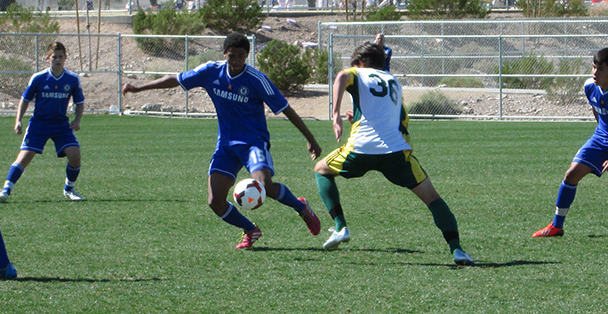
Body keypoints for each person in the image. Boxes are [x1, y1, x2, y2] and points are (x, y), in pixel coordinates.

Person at [121, 33, 323, 249]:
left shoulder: (256, 80)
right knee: (215, 201)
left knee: (265, 185)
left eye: (241, 57)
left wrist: (310, 138)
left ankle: (301, 207)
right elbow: (176, 79)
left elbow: (286, 109)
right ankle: (250, 230)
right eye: (232, 56)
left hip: (254, 142)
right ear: (224, 54)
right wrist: (139, 87)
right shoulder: (210, 71)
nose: (236, 61)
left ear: (247, 56)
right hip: (226, 145)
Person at [313, 42, 475, 265]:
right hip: (396, 153)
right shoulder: (394, 83)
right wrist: (359, 118)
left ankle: (341, 227)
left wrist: (335, 115)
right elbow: (399, 120)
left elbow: (341, 76)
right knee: (433, 198)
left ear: (360, 64)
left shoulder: (356, 72)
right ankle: (457, 249)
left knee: (321, 170)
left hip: (361, 149)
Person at [533, 48, 608, 239]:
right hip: (600, 138)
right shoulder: (589, 86)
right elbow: (597, 109)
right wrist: (600, 137)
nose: (594, 73)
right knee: (571, 174)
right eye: (593, 67)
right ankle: (556, 226)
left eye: (600, 69)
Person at [1, 42, 85, 203]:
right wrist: (18, 120)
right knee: (25, 156)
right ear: (48, 58)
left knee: (75, 156)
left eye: (60, 56)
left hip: (61, 125)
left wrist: (77, 120)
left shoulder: (72, 79)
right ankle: (6, 189)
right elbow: (25, 100)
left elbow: (80, 102)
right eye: (54, 57)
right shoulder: (39, 78)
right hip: (39, 124)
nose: (58, 60)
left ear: (65, 57)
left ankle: (69, 188)